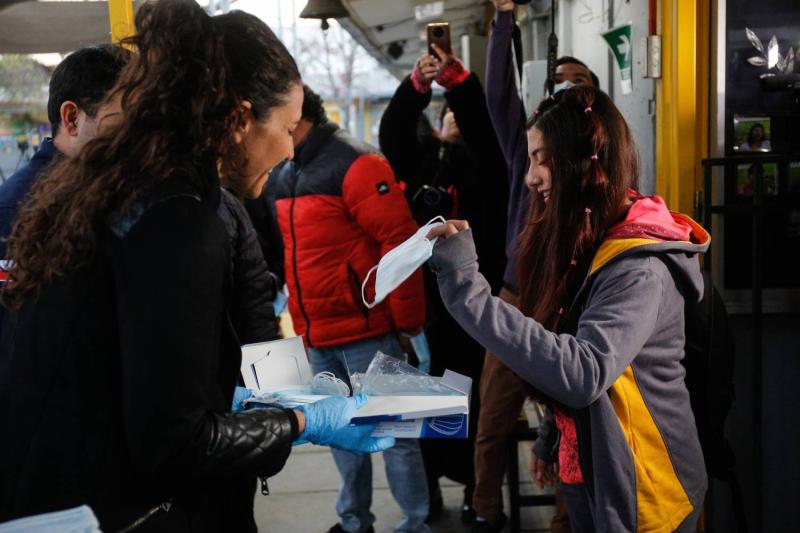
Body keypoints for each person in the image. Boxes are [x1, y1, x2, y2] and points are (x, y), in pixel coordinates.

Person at [0, 3, 393, 532]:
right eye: (286, 127)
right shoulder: (179, 217)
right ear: (240, 119)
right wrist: (300, 419)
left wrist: (275, 391)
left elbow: (245, 314)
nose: (288, 148)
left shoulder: (131, 191)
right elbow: (173, 443)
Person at [426, 84, 709, 533]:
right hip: (596, 467)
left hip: (645, 486)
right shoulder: (593, 242)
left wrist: (467, 290)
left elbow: (584, 372)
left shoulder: (639, 269)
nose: (530, 178)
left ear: (582, 163)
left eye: (541, 160)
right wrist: (552, 437)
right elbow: (580, 355)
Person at [269, 85, 430, 533]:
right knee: (340, 435)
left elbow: (401, 242)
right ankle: (355, 523)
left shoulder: (359, 163)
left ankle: (415, 523)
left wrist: (408, 323)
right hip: (317, 335)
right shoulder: (286, 170)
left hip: (369, 331)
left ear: (294, 115)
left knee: (396, 436)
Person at [476, 2, 600, 531]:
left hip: (568, 306)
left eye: (579, 82)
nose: (568, 85)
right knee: (492, 418)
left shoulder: (596, 170)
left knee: (571, 425)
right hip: (514, 300)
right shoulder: (526, 154)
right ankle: (484, 511)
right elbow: (499, 96)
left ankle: (565, 521)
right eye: (560, 80)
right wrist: (504, 19)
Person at [378, 44, 508, 524]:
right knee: (422, 402)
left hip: (474, 305)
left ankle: (477, 489)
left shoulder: (490, 170)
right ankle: (428, 489)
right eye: (447, 112)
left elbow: (489, 134)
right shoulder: (419, 167)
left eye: (459, 113)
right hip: (426, 306)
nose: (454, 117)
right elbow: (393, 134)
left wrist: (460, 85)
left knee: (473, 399)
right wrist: (417, 86)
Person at [0, 44, 131, 259]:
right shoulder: (13, 211)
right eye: (123, 125)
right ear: (72, 119)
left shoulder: (120, 190)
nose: (138, 139)